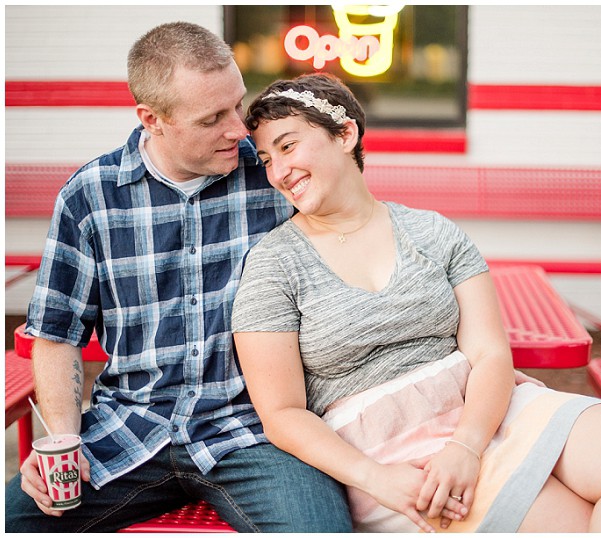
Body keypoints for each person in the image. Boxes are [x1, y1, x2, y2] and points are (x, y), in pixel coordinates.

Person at [231, 73, 601, 533]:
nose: (278, 172)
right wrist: (376, 479)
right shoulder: (273, 264)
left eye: (287, 147)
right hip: (391, 447)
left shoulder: (433, 231)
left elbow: (489, 352)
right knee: (574, 523)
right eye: (266, 159)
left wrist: (467, 446)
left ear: (345, 134)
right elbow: (283, 415)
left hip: (485, 408)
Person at [5, 23, 352, 533]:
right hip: (126, 430)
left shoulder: (275, 177)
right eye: (212, 118)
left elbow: (352, 225)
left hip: (254, 433)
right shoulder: (90, 198)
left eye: (238, 104)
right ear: (153, 119)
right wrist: (63, 439)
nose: (238, 129)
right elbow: (56, 335)